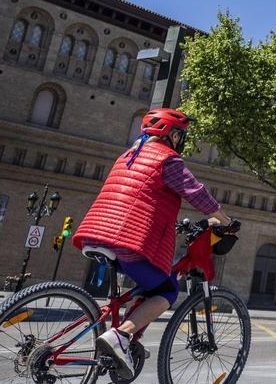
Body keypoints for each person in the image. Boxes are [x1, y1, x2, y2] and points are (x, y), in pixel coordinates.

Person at [72, 108, 232, 379]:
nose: (181, 141)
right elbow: (195, 192)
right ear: (170, 134)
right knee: (166, 290)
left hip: (95, 232)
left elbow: (141, 197)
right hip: (127, 240)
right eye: (180, 135)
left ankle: (123, 340)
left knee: (145, 285)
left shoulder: (127, 156)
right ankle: (121, 335)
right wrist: (224, 219)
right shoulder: (166, 159)